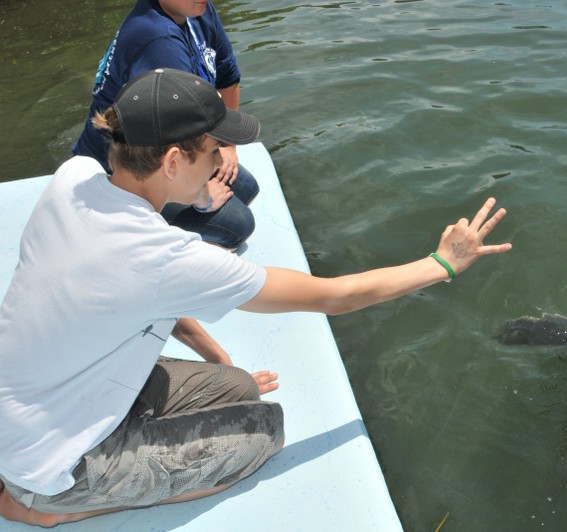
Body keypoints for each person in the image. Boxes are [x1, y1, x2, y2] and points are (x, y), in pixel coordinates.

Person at [0, 68, 512, 526]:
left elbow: (146, 294)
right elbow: (332, 297)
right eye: (213, 150)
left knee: (239, 385)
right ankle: (50, 507)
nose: (222, 161)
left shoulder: (77, 178)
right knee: (266, 431)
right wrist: (440, 264)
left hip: (30, 405)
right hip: (52, 461)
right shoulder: (165, 256)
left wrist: (215, 358)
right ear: (174, 160)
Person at [73, 0, 258, 250]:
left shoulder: (198, 9)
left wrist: (227, 145)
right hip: (123, 170)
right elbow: (176, 137)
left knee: (245, 187)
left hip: (165, 145)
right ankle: (140, 233)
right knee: (237, 225)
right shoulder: (159, 41)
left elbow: (227, 75)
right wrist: (203, 198)